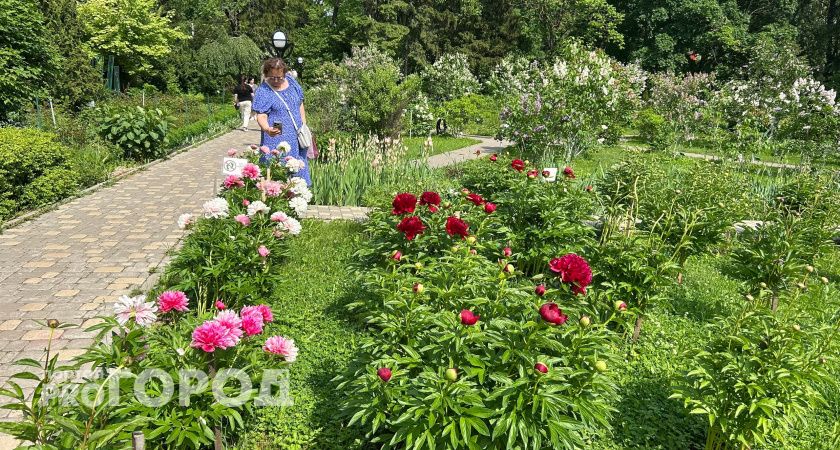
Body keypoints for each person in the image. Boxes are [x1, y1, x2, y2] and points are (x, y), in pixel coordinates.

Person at [252, 58, 311, 185]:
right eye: (272, 77)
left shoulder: (292, 82)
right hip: (276, 135)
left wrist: (304, 125)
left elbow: (300, 103)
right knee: (278, 165)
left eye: (280, 77)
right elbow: (261, 115)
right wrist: (267, 128)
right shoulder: (263, 91)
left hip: (297, 135)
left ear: (284, 74)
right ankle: (278, 195)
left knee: (298, 165)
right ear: (266, 74)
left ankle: (298, 194)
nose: (276, 80)